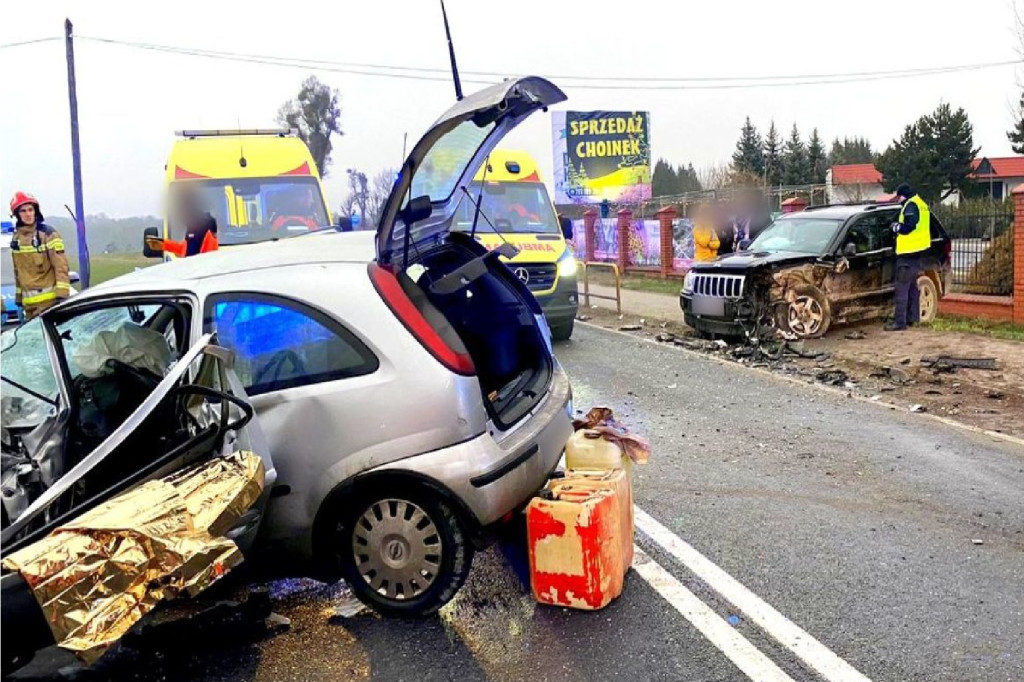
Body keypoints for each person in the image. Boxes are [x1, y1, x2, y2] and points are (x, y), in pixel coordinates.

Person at [8, 191, 71, 320]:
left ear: (36, 211)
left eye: (31, 210)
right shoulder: (16, 239)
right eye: (23, 211)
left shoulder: (48, 234)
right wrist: (19, 299)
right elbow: (18, 272)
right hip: (29, 307)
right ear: (17, 215)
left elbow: (61, 266)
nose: (28, 214)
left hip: (49, 305)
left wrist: (62, 295)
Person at [885, 182, 930, 331]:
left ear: (903, 195)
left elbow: (910, 226)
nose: (898, 199)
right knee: (912, 287)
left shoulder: (911, 205)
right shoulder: (922, 204)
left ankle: (900, 322)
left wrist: (896, 227)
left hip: (907, 254)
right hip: (918, 252)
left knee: (902, 289)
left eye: (899, 196)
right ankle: (913, 318)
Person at [147, 187, 218, 257]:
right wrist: (163, 245)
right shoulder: (194, 227)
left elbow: (196, 256)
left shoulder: (203, 226)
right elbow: (186, 249)